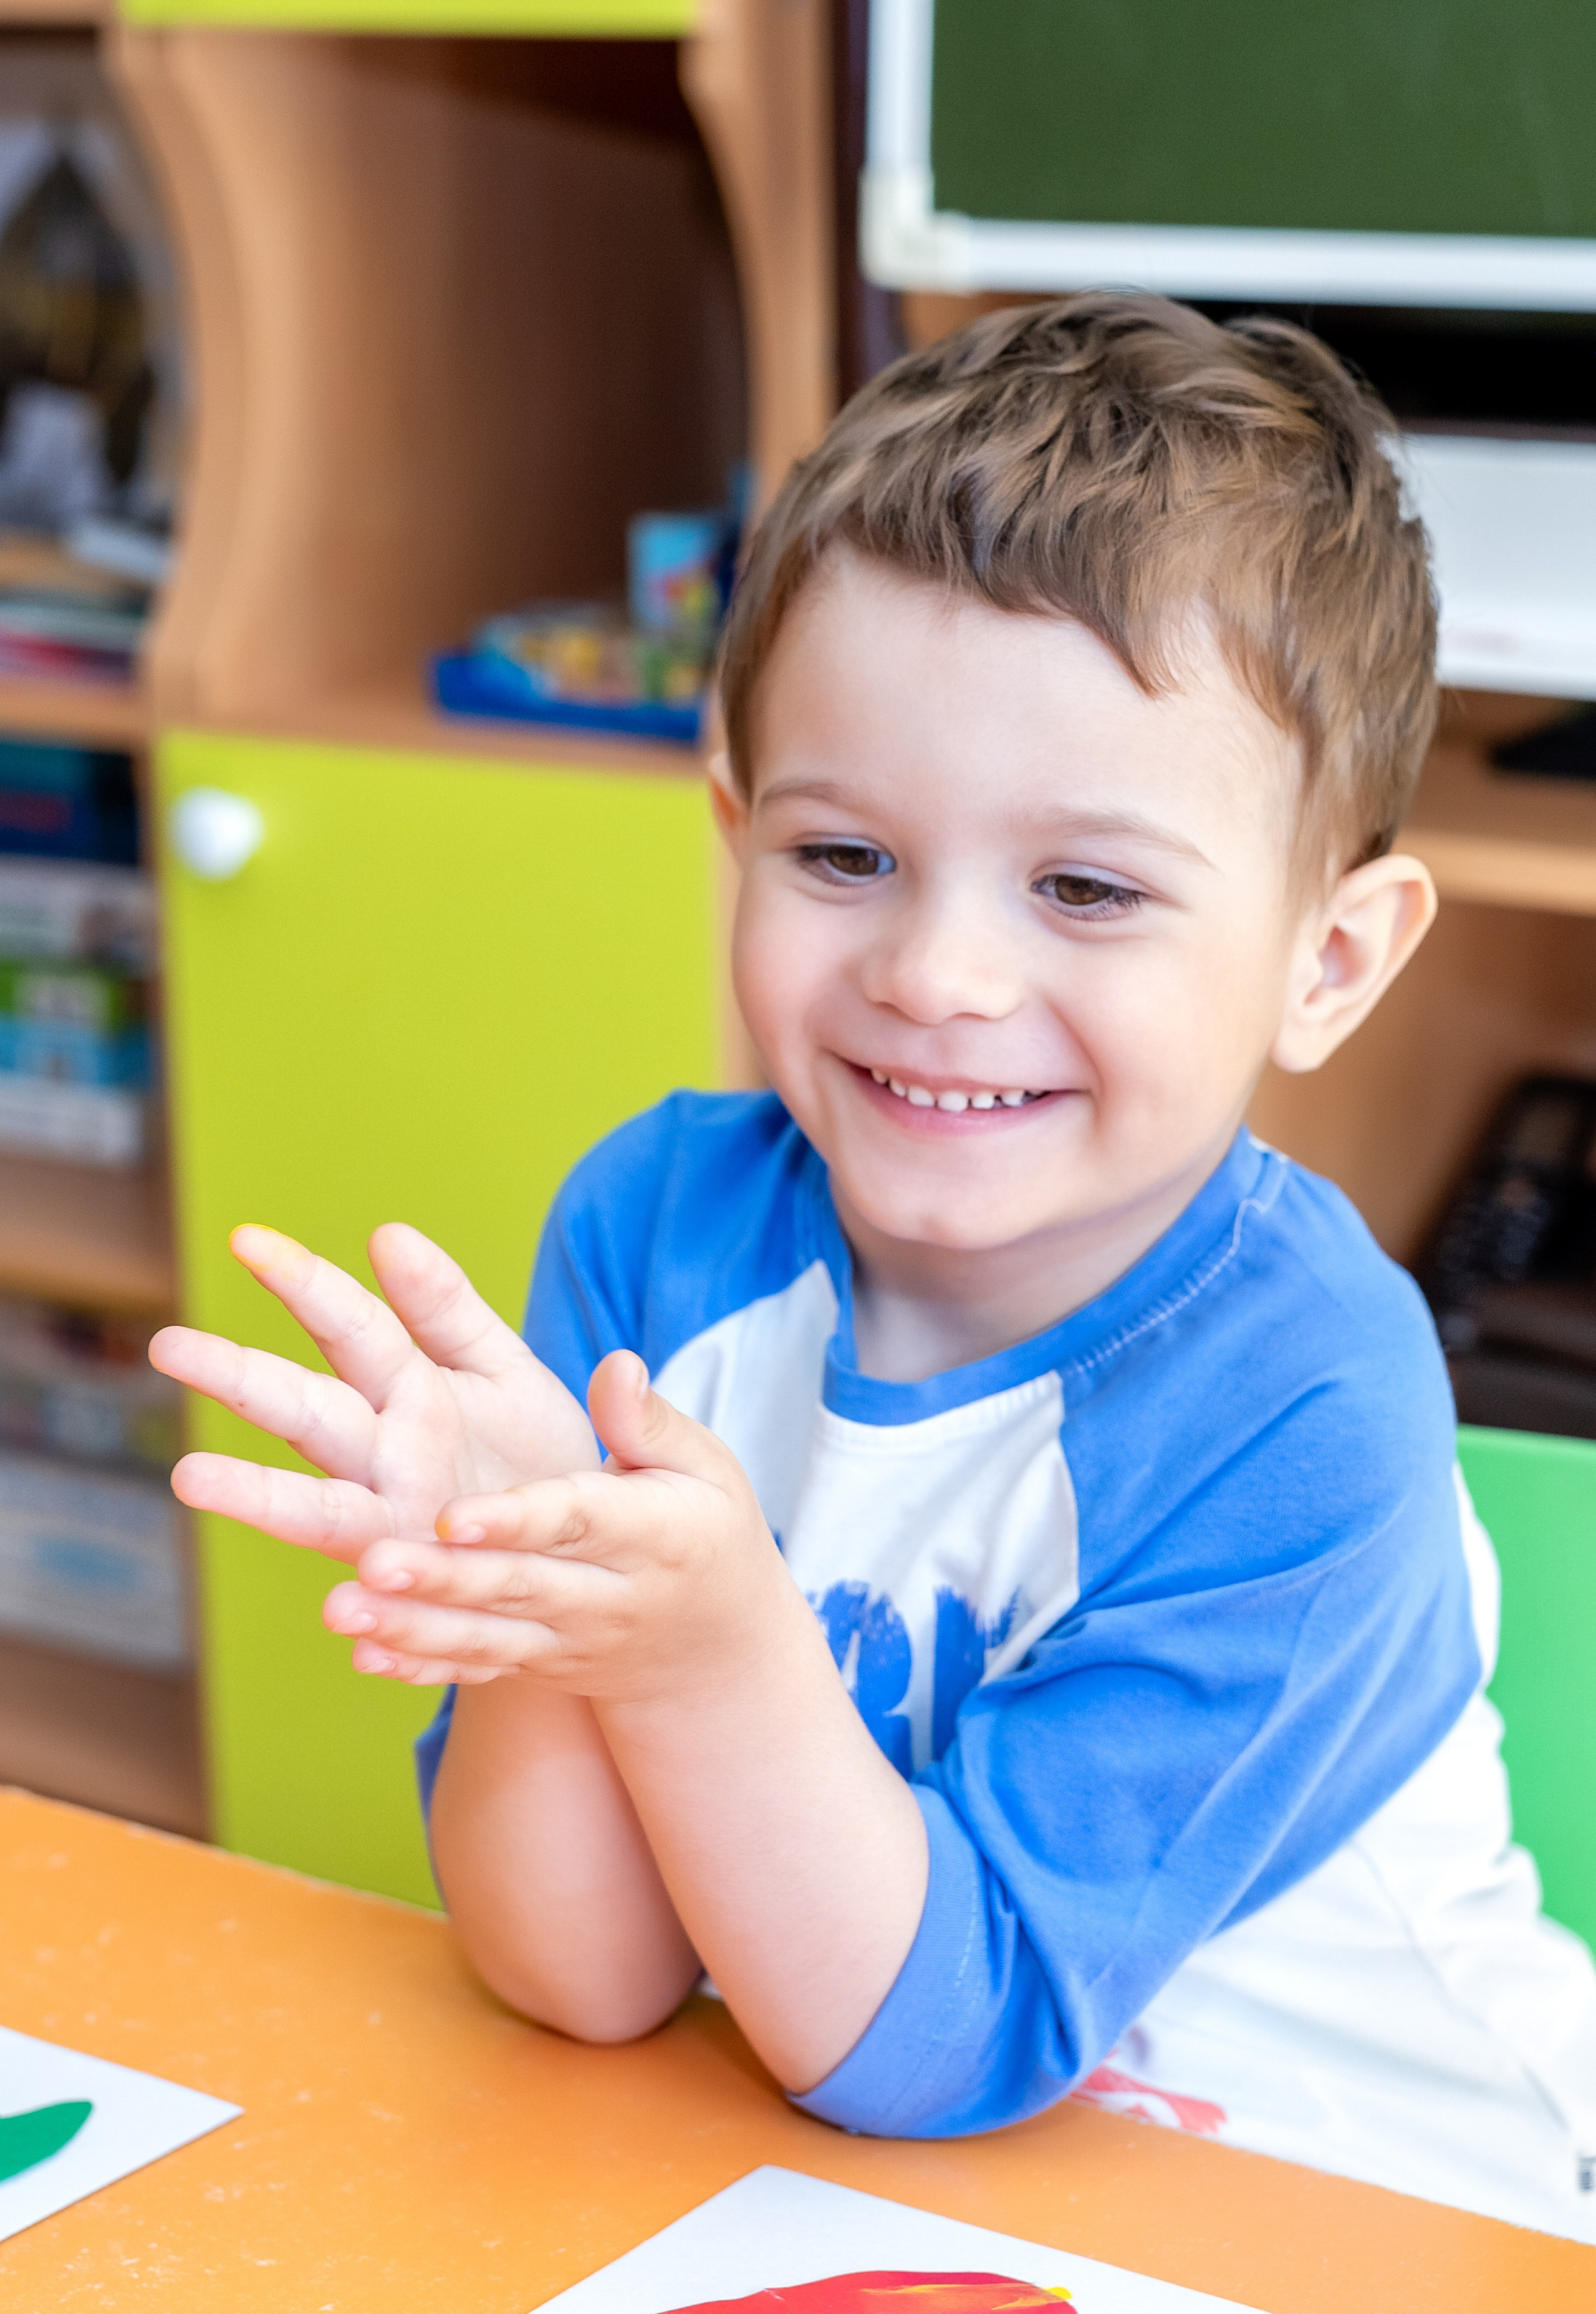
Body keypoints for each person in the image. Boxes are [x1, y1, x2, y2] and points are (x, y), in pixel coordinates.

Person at [151, 297, 1596, 2241]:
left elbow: (951, 2030)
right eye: (846, 859)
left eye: (1083, 887)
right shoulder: (656, 1229)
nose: (937, 976)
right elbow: (587, 1979)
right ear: (738, 837)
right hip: (892, 2195)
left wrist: (698, 1643)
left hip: (1385, 2209)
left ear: (1329, 959)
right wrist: (536, 1617)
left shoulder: (1307, 1391)